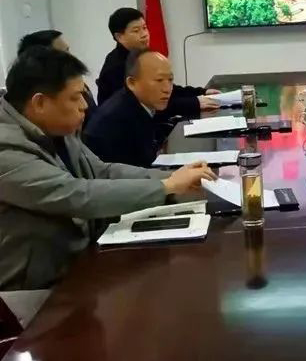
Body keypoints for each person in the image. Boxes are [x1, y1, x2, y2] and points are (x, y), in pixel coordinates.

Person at [0, 47, 216, 290]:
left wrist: (173, 178)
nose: (84, 106)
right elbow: (76, 194)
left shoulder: (54, 128)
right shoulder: (5, 149)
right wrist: (165, 187)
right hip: (32, 292)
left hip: (79, 262)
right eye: (75, 98)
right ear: (40, 103)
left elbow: (102, 171)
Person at [96, 8, 218, 117]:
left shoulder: (139, 56)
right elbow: (144, 105)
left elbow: (163, 89)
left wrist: (201, 92)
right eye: (136, 31)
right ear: (119, 37)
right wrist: (193, 103)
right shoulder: (117, 67)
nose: (144, 35)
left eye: (144, 28)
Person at [84, 50, 176, 168]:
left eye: (170, 80)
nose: (167, 89)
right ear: (132, 83)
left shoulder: (138, 103)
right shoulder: (117, 120)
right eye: (159, 80)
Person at [17, 30, 97, 121]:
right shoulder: (41, 97)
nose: (71, 57)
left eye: (68, 50)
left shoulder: (76, 84)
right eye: (64, 53)